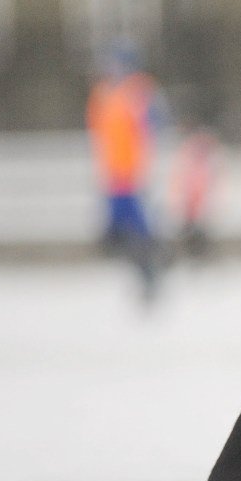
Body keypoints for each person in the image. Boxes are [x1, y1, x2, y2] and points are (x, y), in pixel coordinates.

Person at [86, 45, 170, 300]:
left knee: (138, 231)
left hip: (132, 173)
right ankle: (144, 273)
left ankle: (151, 275)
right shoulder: (104, 93)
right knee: (115, 233)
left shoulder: (139, 91)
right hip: (112, 173)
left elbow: (154, 124)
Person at [172, 116, 219, 259]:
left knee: (196, 231)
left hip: (197, 202)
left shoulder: (195, 152)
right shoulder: (191, 152)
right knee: (191, 230)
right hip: (191, 202)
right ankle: (194, 255)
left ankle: (197, 255)